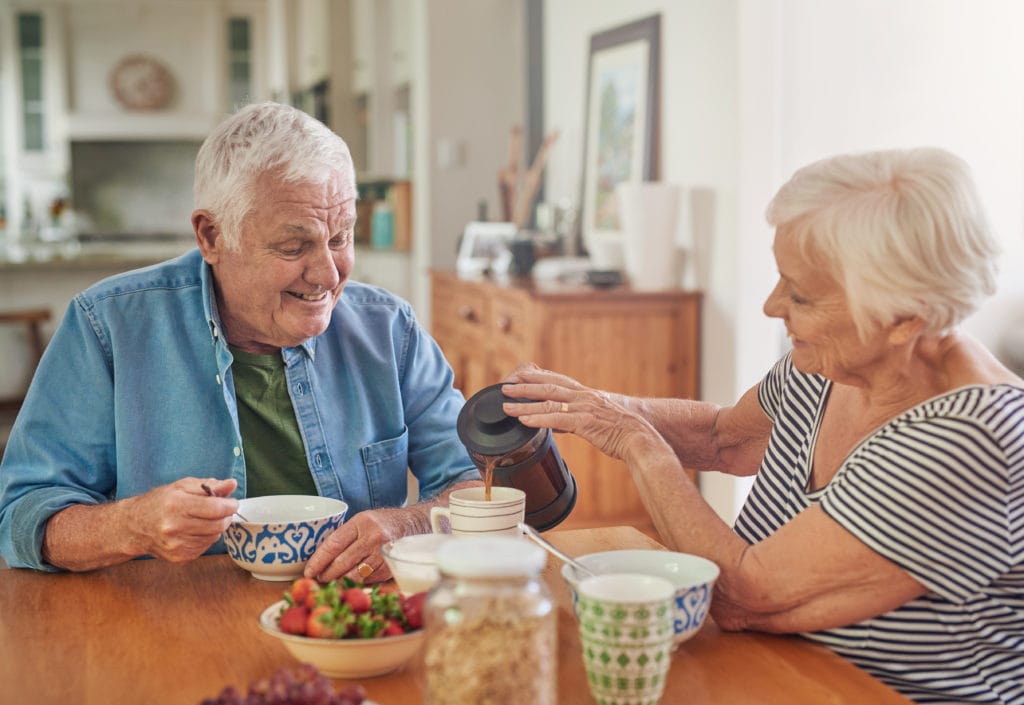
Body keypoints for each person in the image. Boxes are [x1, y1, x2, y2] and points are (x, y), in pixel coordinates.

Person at [501, 147, 1023, 704]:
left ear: (905, 319)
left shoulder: (973, 436)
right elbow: (723, 438)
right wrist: (591, 405)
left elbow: (743, 595)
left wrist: (637, 443)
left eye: (800, 294)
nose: (773, 306)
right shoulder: (833, 364)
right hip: (771, 676)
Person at [0, 101, 480, 581]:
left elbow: (476, 483)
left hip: (347, 623)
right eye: (293, 247)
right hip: (165, 626)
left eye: (340, 237)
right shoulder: (108, 326)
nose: (329, 274)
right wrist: (132, 526)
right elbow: (23, 516)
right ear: (211, 236)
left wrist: (412, 523)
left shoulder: (389, 329)